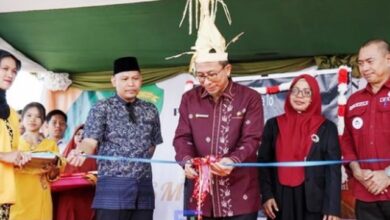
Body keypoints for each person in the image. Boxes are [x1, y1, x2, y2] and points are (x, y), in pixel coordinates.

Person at [67, 56, 163, 220]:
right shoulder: (102, 108)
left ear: (141, 80)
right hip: (112, 188)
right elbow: (90, 141)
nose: (131, 83)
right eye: (125, 79)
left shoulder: (150, 109)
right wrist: (80, 151)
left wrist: (137, 165)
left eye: (135, 78)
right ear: (113, 81)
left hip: (143, 189)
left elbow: (153, 144)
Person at [173, 54, 264, 219]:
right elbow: (182, 137)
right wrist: (186, 161)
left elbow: (252, 139)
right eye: (201, 76)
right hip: (200, 197)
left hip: (240, 196)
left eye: (212, 74)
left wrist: (232, 160)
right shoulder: (189, 99)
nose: (206, 82)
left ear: (227, 69)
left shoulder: (250, 98)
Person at [258, 74, 341, 220]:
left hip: (314, 201)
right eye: (295, 91)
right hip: (279, 200)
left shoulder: (327, 128)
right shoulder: (273, 125)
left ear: (313, 97)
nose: (299, 96)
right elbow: (263, 163)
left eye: (306, 92)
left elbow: (333, 170)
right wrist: (267, 195)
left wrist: (332, 208)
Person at [341, 39, 390, 220]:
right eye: (360, 63)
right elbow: (346, 141)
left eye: (370, 61)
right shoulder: (353, 100)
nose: (365, 68)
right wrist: (356, 169)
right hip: (365, 194)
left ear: (388, 59)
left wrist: (387, 175)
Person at [10, 102, 61, 220]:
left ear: (43, 121)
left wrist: (53, 169)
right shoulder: (13, 143)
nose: (33, 119)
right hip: (18, 193)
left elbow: (54, 174)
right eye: (28, 116)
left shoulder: (50, 144)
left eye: (38, 116)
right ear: (22, 119)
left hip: (40, 193)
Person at [0, 50, 31, 220]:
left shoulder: (12, 114)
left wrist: (20, 158)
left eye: (14, 71)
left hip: (5, 195)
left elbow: (12, 151)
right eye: (5, 68)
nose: (10, 74)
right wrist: (4, 156)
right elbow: (5, 155)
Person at [55, 124, 97, 220]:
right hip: (68, 199)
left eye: (85, 134)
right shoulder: (65, 157)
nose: (81, 137)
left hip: (87, 199)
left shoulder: (95, 158)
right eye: (77, 134)